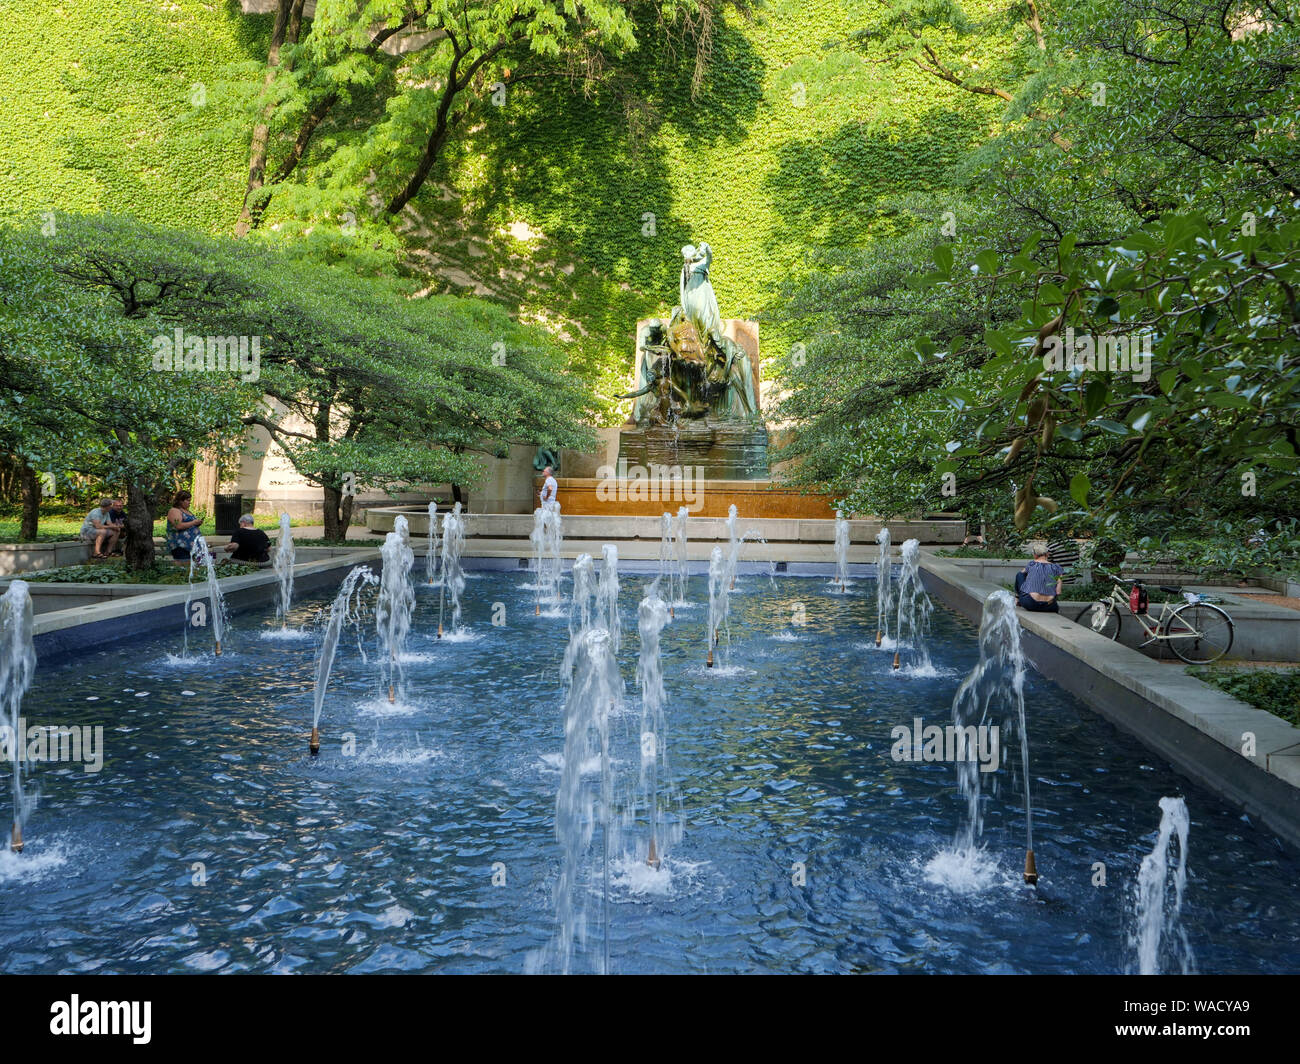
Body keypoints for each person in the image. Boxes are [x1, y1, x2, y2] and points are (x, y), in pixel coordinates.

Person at [1014, 543, 1064, 612]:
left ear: (1035, 555)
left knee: (1020, 575)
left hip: (1031, 603)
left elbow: (1021, 574)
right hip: (1050, 606)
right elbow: (1058, 592)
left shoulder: (1032, 564)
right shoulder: (1057, 568)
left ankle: (1017, 599)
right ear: (1047, 554)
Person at [165, 491, 203, 562]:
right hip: (181, 546)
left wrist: (197, 523)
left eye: (190, 500)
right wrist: (194, 522)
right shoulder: (175, 511)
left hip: (192, 546)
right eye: (187, 500)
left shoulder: (186, 511)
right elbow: (178, 525)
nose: (189, 503)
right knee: (183, 568)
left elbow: (189, 524)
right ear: (180, 501)